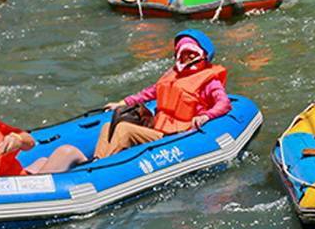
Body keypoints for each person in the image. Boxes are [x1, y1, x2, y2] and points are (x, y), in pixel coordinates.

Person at [94, 31, 230, 158]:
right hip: (158, 127)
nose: (187, 57)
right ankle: (97, 161)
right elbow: (147, 94)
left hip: (177, 135)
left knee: (124, 129)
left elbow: (224, 103)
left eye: (191, 53)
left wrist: (206, 116)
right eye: (183, 53)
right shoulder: (172, 76)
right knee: (107, 126)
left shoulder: (209, 81)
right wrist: (122, 103)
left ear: (202, 54)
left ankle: (103, 166)